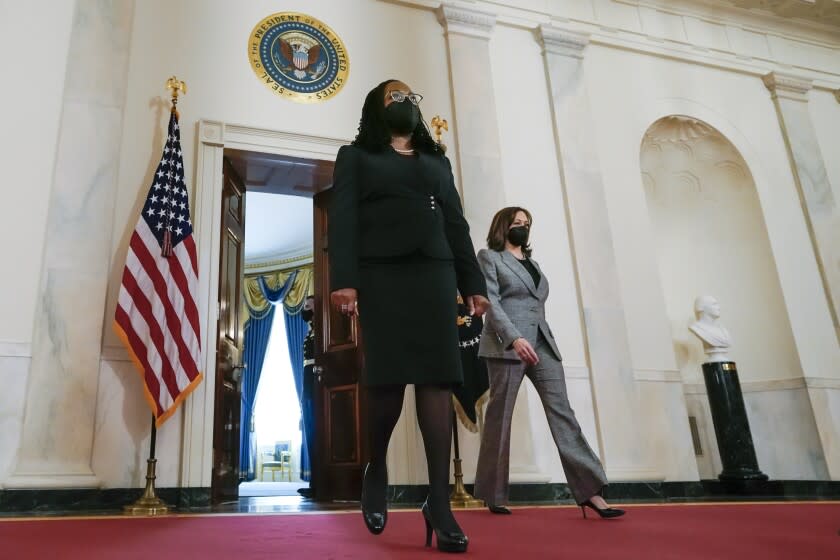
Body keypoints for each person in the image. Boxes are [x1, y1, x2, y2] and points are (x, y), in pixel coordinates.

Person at [328, 79, 489, 553]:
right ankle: (375, 467)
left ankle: (438, 503)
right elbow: (344, 220)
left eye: (411, 98)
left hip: (435, 274)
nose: (407, 103)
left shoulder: (437, 162)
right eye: (395, 98)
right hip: (383, 277)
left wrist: (472, 283)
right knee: (387, 382)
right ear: (378, 108)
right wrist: (345, 278)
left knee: (438, 382)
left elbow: (457, 223)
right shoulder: (355, 157)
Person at [473, 207, 625, 520]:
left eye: (527, 224)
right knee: (500, 416)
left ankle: (590, 491)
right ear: (503, 226)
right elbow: (492, 303)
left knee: (563, 413)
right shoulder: (490, 257)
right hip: (507, 344)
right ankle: (493, 493)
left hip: (542, 341)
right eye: (517, 223)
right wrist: (514, 338)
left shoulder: (534, 264)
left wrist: (531, 337)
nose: (523, 228)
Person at [297, 295, 316, 498]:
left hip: (315, 381)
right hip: (308, 381)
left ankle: (319, 483)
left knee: (316, 431)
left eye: (309, 305)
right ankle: (314, 481)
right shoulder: (310, 330)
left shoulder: (321, 330)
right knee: (311, 431)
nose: (305, 309)